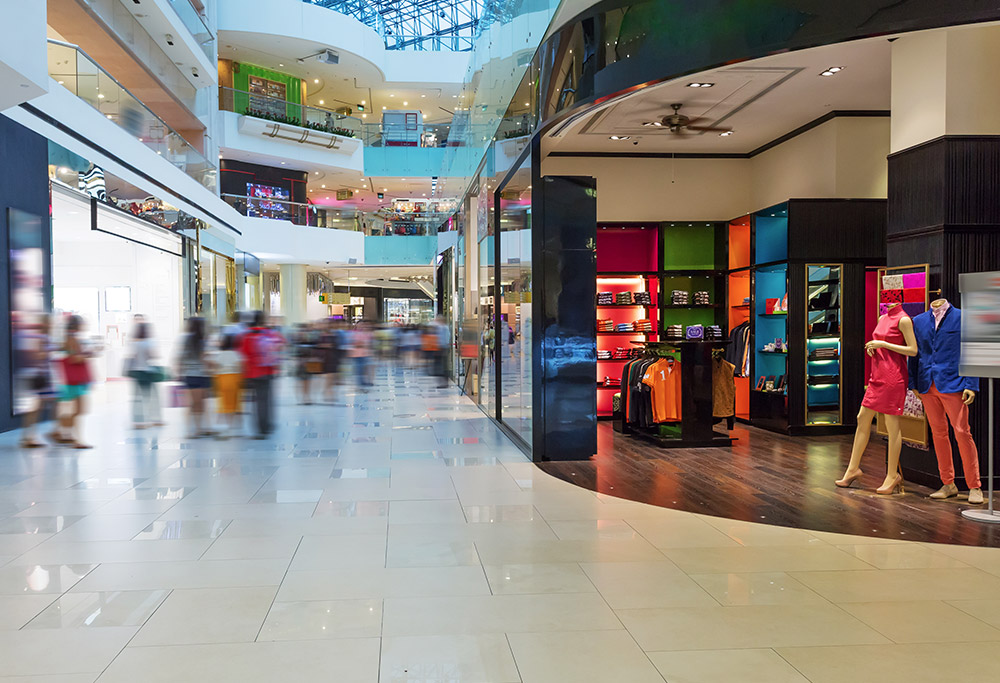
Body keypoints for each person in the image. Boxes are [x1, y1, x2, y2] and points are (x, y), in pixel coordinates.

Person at [836, 303, 919, 494]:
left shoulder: (904, 320)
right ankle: (852, 469)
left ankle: (892, 475)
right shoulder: (883, 318)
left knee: (892, 424)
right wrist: (873, 347)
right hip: (877, 375)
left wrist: (883, 344)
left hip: (893, 377)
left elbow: (913, 350)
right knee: (862, 417)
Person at [241, 311, 283, 438]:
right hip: (268, 370)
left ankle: (260, 428)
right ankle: (267, 425)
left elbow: (244, 355)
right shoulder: (269, 333)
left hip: (253, 372)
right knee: (268, 399)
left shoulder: (248, 335)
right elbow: (280, 344)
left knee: (258, 401)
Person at [18, 314, 57, 448]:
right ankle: (31, 437)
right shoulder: (42, 338)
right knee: (41, 406)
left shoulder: (43, 337)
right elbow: (38, 355)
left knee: (38, 407)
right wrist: (48, 351)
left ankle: (28, 437)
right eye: (50, 323)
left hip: (43, 377)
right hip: (42, 377)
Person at [54, 314, 93, 449]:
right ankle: (74, 437)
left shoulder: (70, 338)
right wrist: (87, 355)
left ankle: (61, 431)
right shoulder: (71, 339)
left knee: (78, 410)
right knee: (80, 410)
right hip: (74, 381)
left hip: (73, 380)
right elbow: (73, 359)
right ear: (78, 325)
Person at [176, 317, 212, 438]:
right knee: (200, 404)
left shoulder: (186, 339)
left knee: (192, 404)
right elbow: (205, 358)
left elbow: (180, 357)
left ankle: (192, 430)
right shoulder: (202, 340)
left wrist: (179, 372)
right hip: (202, 374)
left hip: (190, 374)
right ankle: (197, 428)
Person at [127, 318, 163, 429]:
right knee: (152, 397)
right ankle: (155, 419)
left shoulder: (135, 343)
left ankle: (138, 421)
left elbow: (132, 356)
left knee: (137, 398)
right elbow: (153, 355)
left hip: (137, 372)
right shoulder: (148, 343)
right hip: (147, 372)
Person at [213, 333, 243, 438]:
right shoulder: (236, 354)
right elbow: (239, 366)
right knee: (235, 403)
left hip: (222, 379)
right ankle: (236, 426)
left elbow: (215, 367)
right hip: (234, 379)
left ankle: (224, 425)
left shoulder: (220, 355)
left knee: (224, 403)